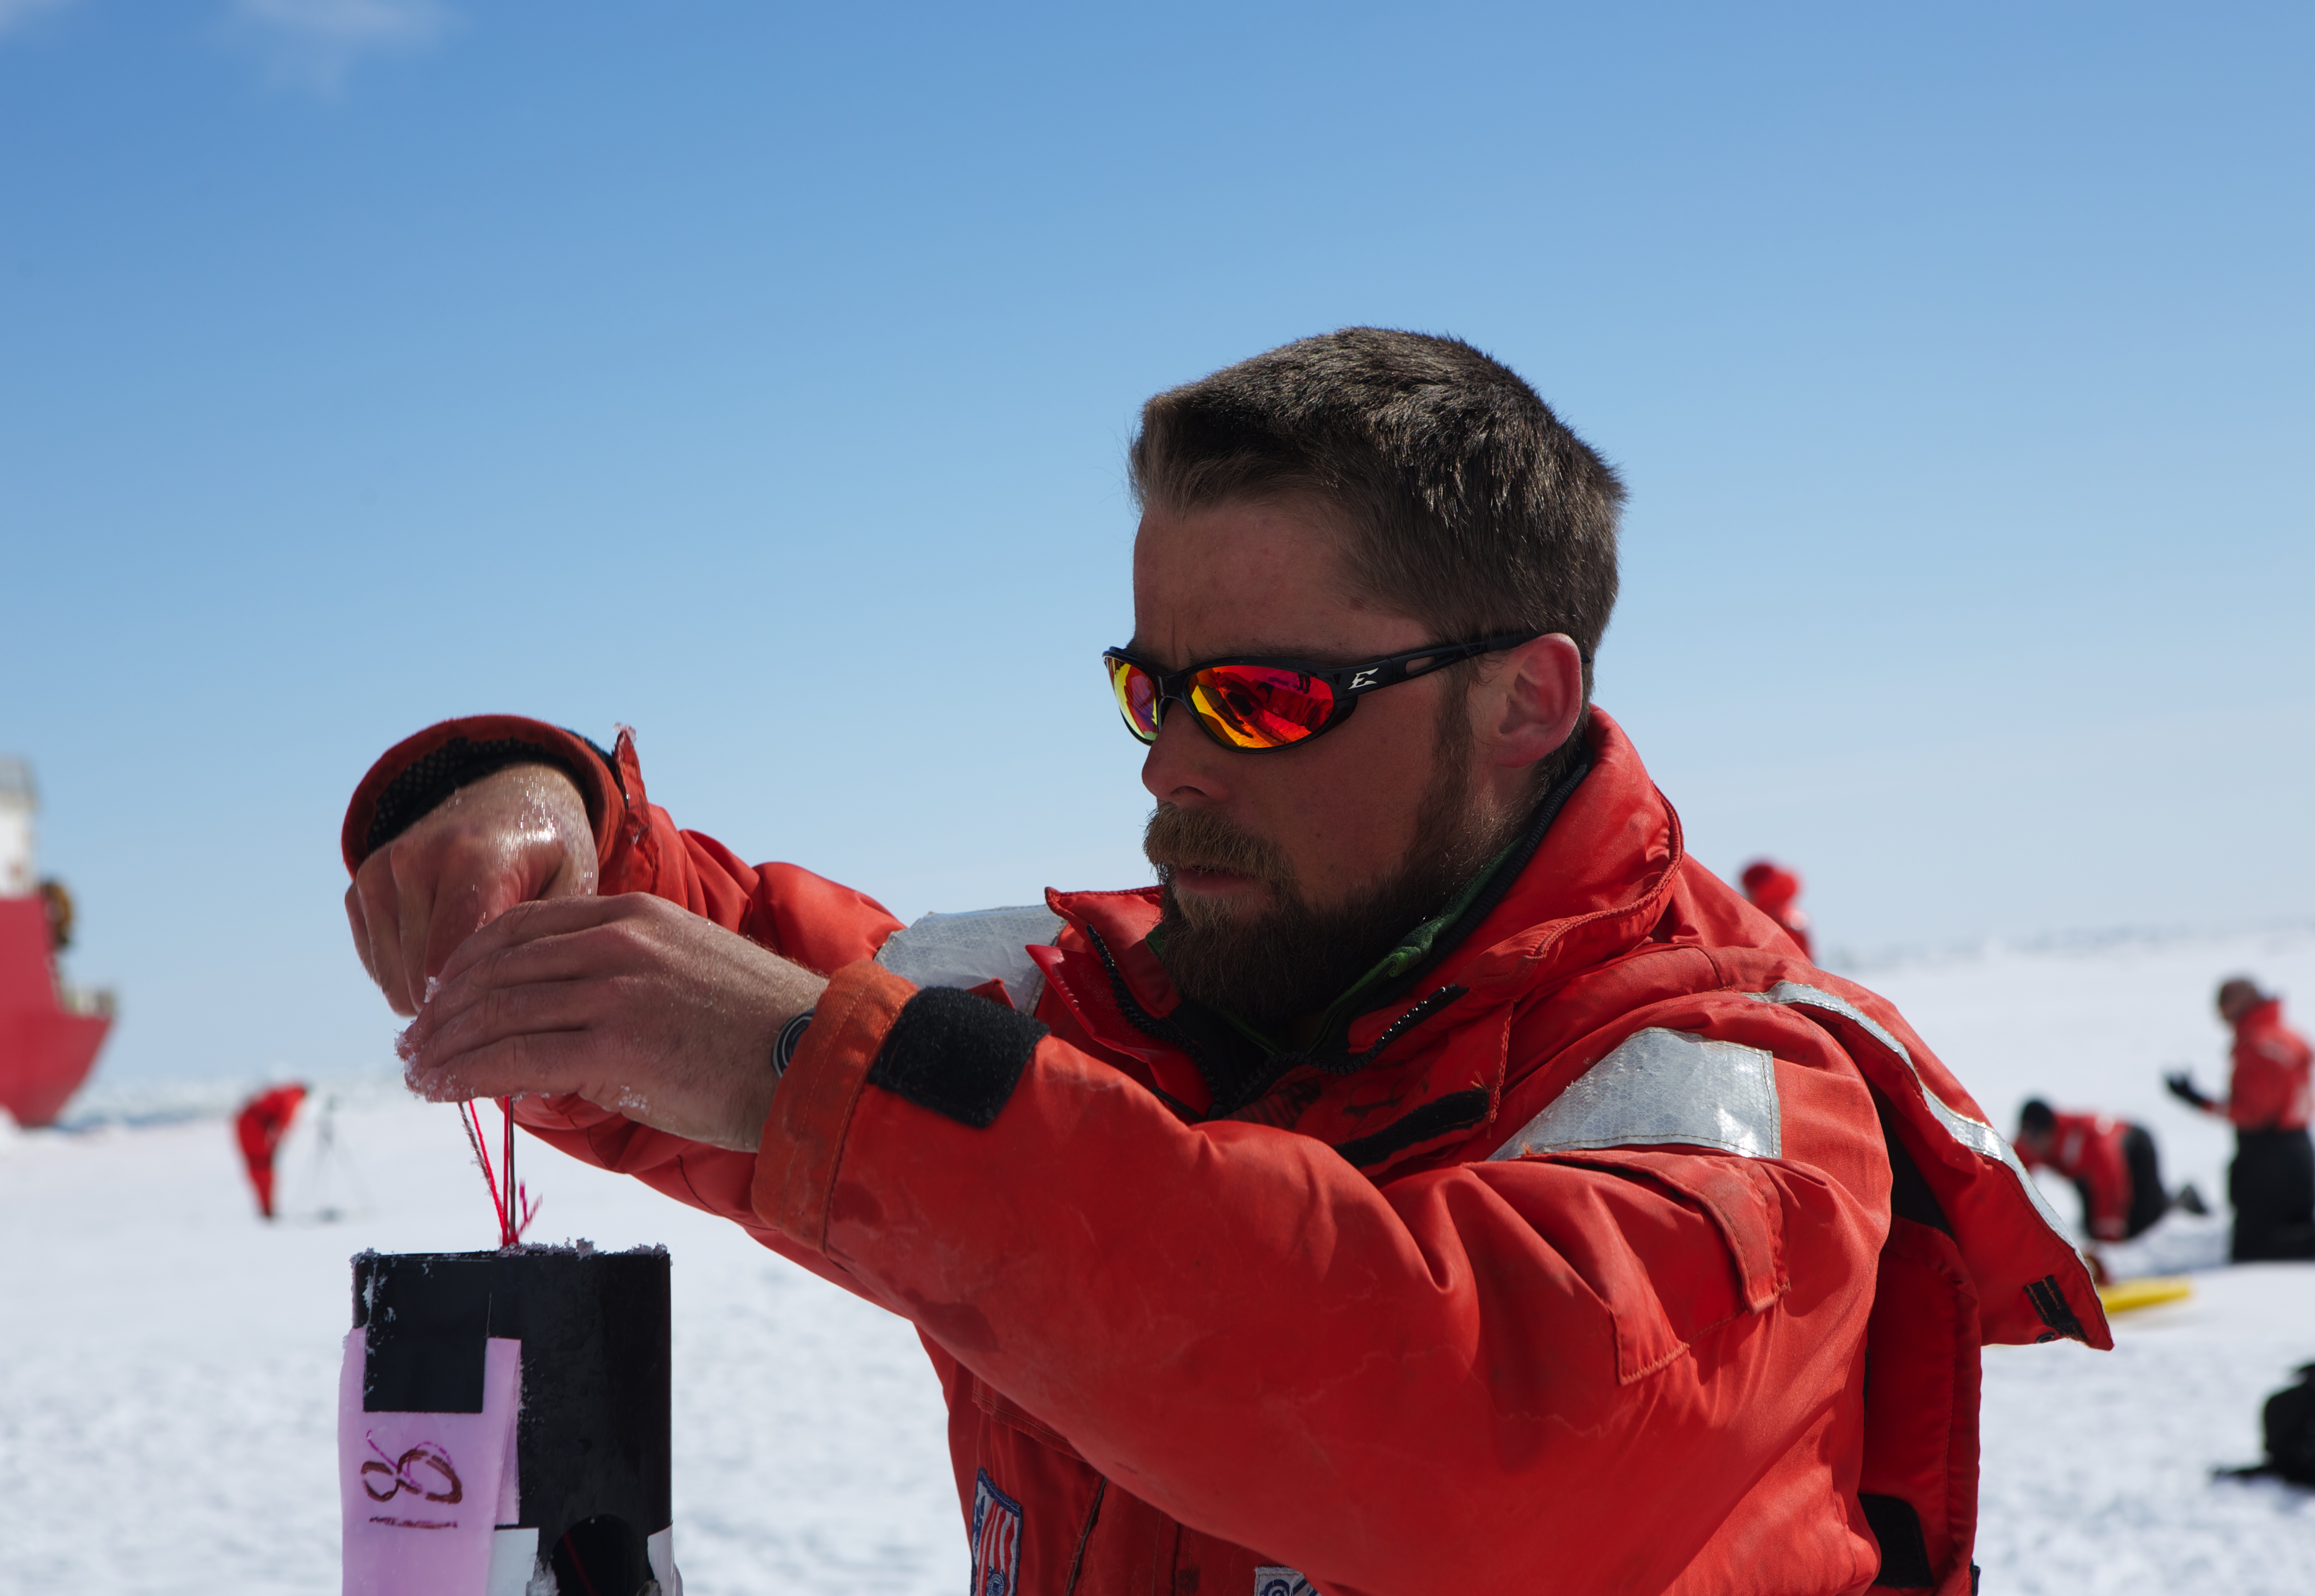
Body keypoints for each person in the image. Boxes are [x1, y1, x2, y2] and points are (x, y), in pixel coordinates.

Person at [343, 330, 2104, 1595]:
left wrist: (822, 1076)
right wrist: (559, 830)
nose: (1168, 767)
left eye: (1261, 700)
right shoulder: (1122, 1008)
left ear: (1527, 699)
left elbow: (1469, 1421)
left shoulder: (1745, 1095)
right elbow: (795, 969)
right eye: (1148, 689)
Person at [2167, 978, 2315, 1261]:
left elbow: (2251, 1114)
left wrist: (2197, 1100)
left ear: (2245, 1001)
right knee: (2297, 1231)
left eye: (2224, 1001)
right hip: (2301, 1147)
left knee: (2255, 1250)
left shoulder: (2259, 1045)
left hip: (2267, 1156)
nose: (2219, 1011)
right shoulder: (2290, 1037)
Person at [2012, 1099, 2202, 1244]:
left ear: (2049, 1132)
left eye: (2035, 1137)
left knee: (2139, 1221)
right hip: (2090, 1176)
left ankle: (2181, 1200)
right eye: (2026, 1137)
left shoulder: (2086, 1140)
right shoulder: (2031, 1144)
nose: (2030, 1145)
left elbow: (2111, 1181)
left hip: (2132, 1151)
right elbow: (2011, 1176)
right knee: (2093, 1230)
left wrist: (2109, 1239)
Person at [233, 1081, 308, 1219]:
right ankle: (267, 1210)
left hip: (250, 1123)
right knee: (261, 1165)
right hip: (253, 1125)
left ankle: (267, 1209)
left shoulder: (285, 1092)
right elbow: (285, 1121)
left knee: (259, 1165)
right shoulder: (293, 1097)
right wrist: (275, 1144)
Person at [1739, 859, 1812, 958]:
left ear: (1757, 888)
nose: (1743, 896)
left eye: (1747, 890)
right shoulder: (1788, 911)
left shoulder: (1774, 918)